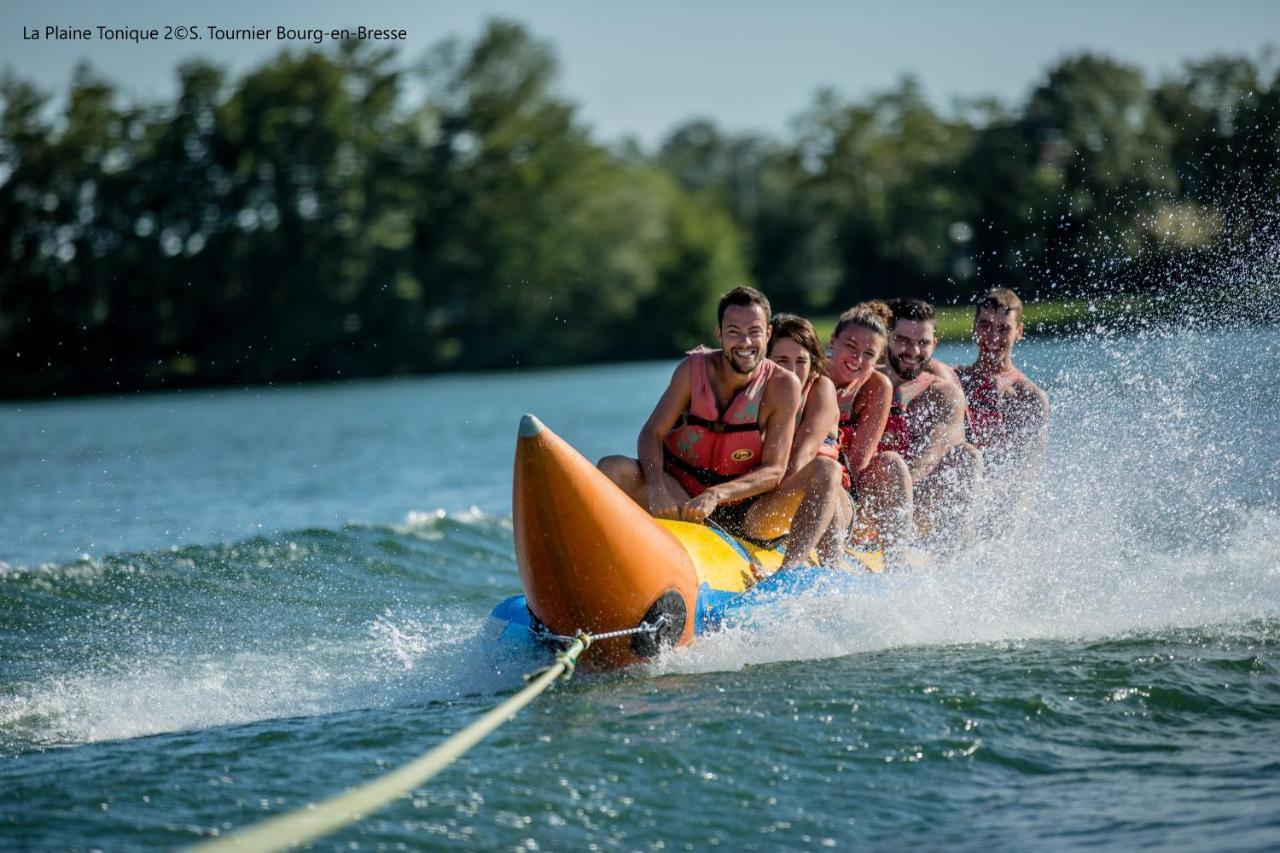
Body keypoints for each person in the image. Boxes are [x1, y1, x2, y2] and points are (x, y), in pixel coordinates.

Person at [598, 287, 844, 570]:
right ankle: (600, 566)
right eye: (734, 332)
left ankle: (785, 576)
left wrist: (717, 495)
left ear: (767, 334)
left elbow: (774, 470)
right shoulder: (692, 370)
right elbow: (651, 433)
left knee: (828, 471)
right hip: (682, 497)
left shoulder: (782, 385)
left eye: (754, 331)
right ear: (719, 334)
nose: (745, 342)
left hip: (749, 512)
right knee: (611, 467)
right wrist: (656, 487)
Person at [880, 298, 982, 548]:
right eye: (903, 340)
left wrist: (896, 494)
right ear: (886, 338)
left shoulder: (942, 394)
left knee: (967, 457)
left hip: (916, 505)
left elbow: (931, 457)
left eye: (923, 343)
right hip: (864, 493)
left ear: (934, 345)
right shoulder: (859, 380)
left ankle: (950, 558)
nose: (913, 352)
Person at [956, 288, 1049, 526]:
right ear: (974, 327)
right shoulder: (952, 381)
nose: (993, 337)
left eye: (1004, 329)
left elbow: (1024, 473)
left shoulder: (1029, 398)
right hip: (954, 496)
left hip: (1000, 510)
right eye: (985, 326)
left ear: (1019, 332)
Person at [827, 304, 912, 551]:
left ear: (878, 359)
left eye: (868, 354)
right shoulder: (808, 371)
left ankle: (895, 565)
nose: (857, 360)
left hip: (849, 486)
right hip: (812, 477)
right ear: (833, 341)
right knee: (825, 471)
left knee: (891, 462)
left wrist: (851, 505)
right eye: (851, 347)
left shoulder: (877, 386)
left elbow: (858, 463)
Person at [766, 313, 847, 564]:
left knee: (825, 471)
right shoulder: (757, 389)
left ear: (813, 363)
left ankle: (797, 572)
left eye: (801, 361)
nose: (792, 371)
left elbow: (802, 458)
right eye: (782, 360)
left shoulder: (820, 389)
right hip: (769, 503)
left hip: (828, 501)